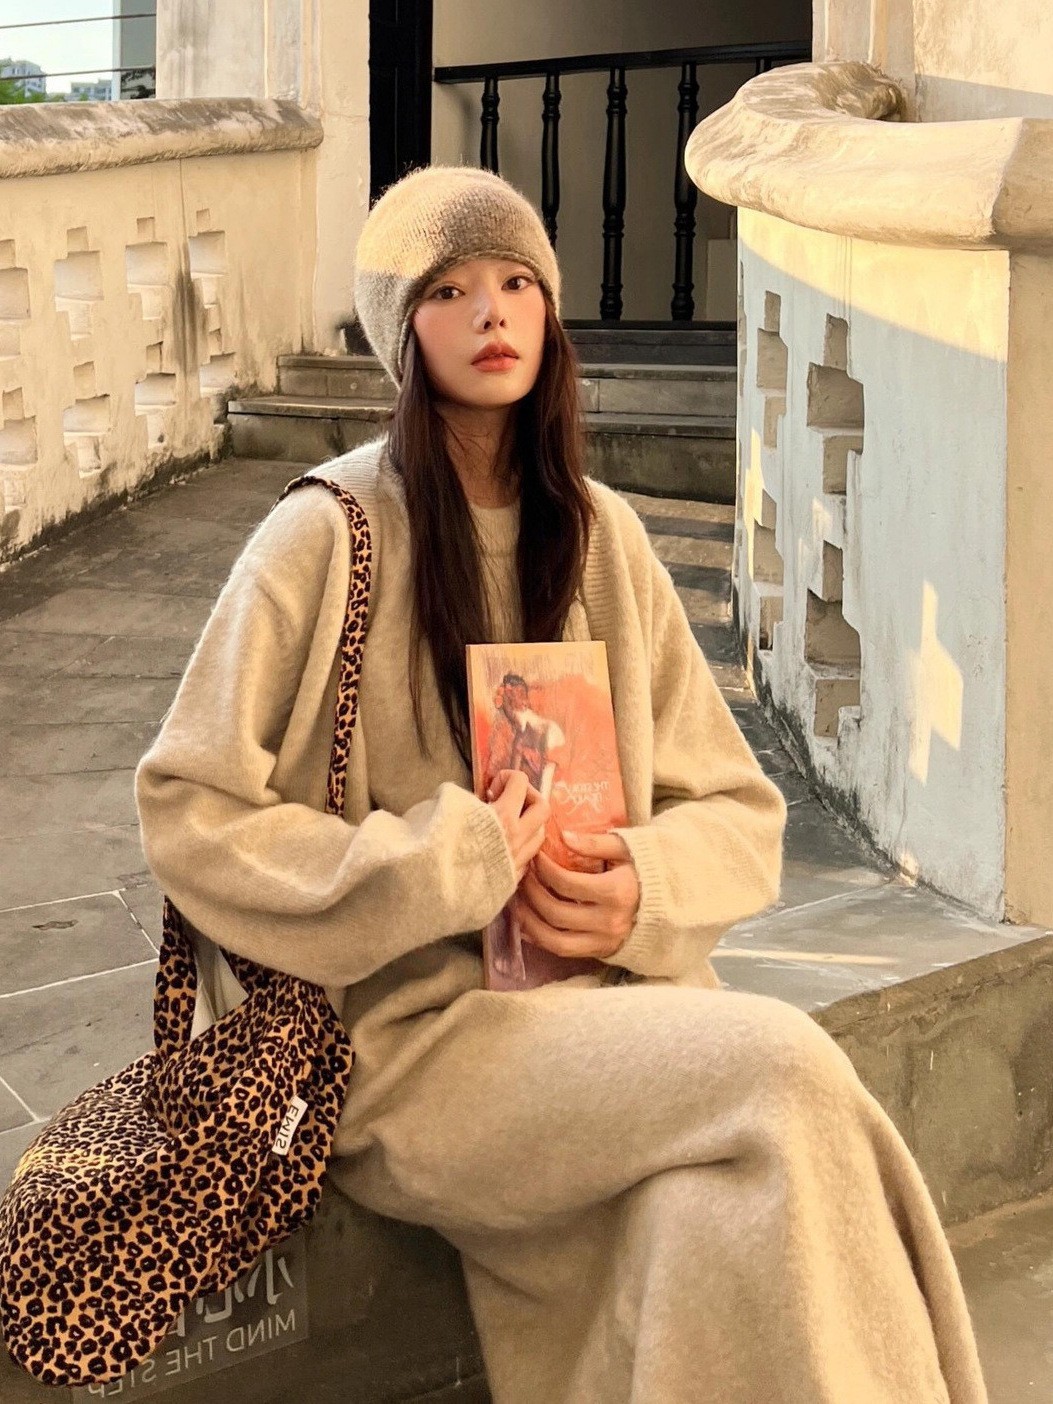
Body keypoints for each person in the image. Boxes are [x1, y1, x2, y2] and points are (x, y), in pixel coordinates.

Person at [134, 165, 988, 1402]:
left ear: (550, 312)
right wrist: (435, 867)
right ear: (399, 331)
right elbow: (189, 807)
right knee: (787, 1067)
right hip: (419, 1047)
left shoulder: (602, 536)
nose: (492, 311)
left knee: (721, 1220)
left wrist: (641, 887)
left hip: (611, 1014)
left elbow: (739, 812)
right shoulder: (327, 533)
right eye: (449, 289)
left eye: (517, 282)